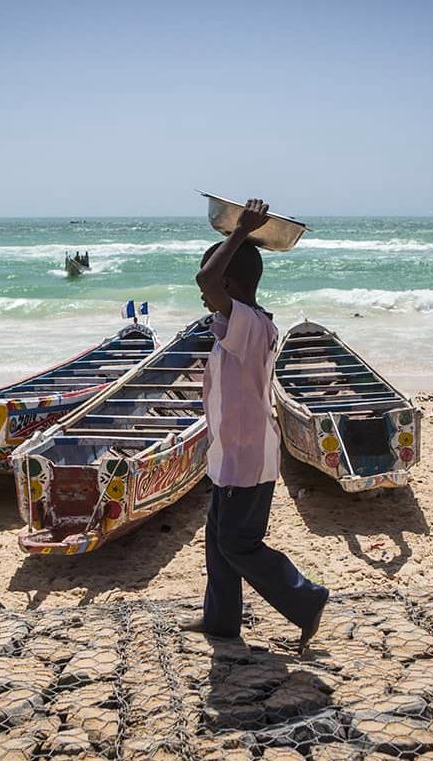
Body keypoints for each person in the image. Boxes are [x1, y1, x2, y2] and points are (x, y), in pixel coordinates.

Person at [180, 198, 329, 652]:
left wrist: (240, 231)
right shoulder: (236, 323)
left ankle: (306, 599)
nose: (203, 294)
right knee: (218, 542)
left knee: (238, 544)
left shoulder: (249, 324)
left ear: (229, 284)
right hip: (229, 455)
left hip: (247, 459)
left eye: (212, 287)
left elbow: (206, 278)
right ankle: (221, 621)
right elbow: (210, 282)